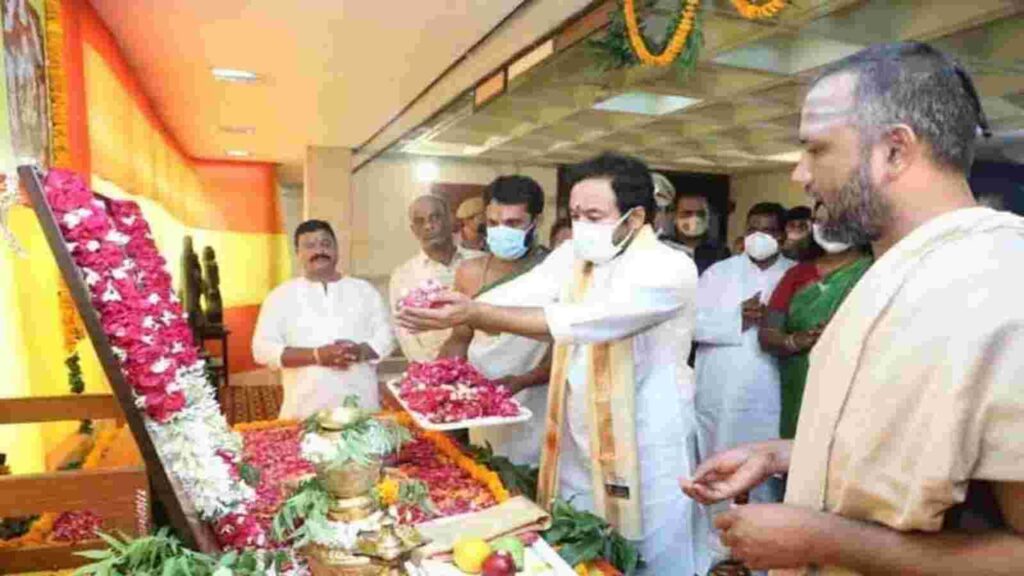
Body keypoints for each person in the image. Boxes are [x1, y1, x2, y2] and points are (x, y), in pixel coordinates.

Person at [681, 42, 1024, 575]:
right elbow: (920, 451)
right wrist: (781, 455)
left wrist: (822, 540)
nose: (800, 174)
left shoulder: (1003, 285)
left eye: (816, 150)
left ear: (894, 151)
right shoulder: (890, 269)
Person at [399, 153, 699, 576]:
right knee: (581, 549)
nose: (581, 227)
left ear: (634, 219)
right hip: (580, 436)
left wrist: (473, 314)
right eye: (575, 214)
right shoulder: (575, 255)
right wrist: (451, 306)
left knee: (648, 559)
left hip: (648, 445)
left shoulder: (669, 268)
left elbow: (582, 322)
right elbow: (523, 291)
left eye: (594, 215)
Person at [692, 202, 794, 573]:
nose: (759, 237)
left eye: (768, 230)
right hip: (718, 396)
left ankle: (761, 558)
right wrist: (734, 318)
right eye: (753, 228)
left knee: (763, 475)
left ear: (782, 236)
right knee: (717, 472)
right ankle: (715, 555)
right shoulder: (718, 273)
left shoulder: (797, 276)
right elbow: (689, 325)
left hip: (768, 395)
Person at [440, 175, 551, 466]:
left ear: (535, 222)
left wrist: (522, 381)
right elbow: (459, 338)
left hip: (539, 401)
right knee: (489, 473)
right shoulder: (470, 272)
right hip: (484, 402)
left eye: (513, 224)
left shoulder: (554, 271)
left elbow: (566, 348)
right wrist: (439, 377)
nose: (501, 231)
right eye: (493, 223)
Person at [252, 220, 395, 418]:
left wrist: (358, 351)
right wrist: (317, 355)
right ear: (298, 253)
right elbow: (262, 349)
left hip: (362, 410)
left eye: (326, 244)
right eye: (310, 246)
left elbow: (386, 337)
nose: (319, 250)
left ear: (336, 249)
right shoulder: (280, 296)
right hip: (303, 412)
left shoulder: (364, 290)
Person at [759, 203, 872, 440]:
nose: (830, 227)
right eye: (820, 221)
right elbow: (768, 334)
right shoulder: (797, 274)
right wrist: (796, 341)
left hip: (857, 385)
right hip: (801, 386)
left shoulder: (877, 270)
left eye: (839, 220)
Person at [390, 196, 484, 362]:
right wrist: (433, 374)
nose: (428, 226)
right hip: (435, 375)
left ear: (450, 220)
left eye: (435, 217)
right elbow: (405, 334)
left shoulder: (482, 263)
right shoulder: (404, 276)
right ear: (413, 230)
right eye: (420, 221)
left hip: (485, 370)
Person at [663, 191, 732, 275]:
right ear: (674, 217)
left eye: (700, 214)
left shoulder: (721, 254)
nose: (694, 218)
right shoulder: (662, 250)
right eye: (687, 213)